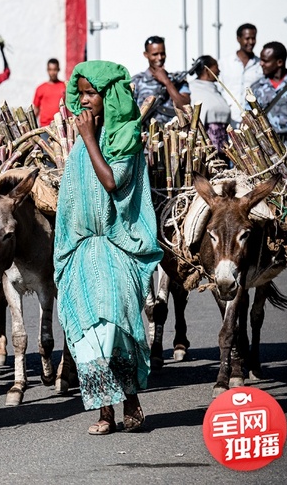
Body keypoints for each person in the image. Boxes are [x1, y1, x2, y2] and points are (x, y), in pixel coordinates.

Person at [54, 60, 162, 435]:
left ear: (109, 97)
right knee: (88, 336)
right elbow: (72, 200)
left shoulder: (125, 139)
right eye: (80, 93)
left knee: (115, 329)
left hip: (119, 248)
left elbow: (112, 184)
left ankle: (131, 402)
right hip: (83, 250)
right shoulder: (81, 144)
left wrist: (87, 139)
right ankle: (104, 413)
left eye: (91, 93)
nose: (84, 101)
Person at [250, 42, 287, 157]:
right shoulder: (256, 88)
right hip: (268, 154)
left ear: (279, 62)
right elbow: (248, 121)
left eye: (265, 61)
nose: (261, 64)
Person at [131, 36, 190, 125]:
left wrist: (167, 82)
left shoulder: (178, 80)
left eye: (162, 53)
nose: (159, 58)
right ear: (146, 54)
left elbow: (186, 107)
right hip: (146, 136)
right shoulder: (137, 81)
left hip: (174, 135)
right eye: (155, 54)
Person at [220, 24, 263, 124]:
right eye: (247, 38)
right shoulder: (225, 63)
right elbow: (218, 89)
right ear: (238, 39)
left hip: (253, 120)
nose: (251, 42)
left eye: (253, 38)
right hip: (229, 119)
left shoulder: (260, 65)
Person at [188, 55, 231, 152]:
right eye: (216, 67)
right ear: (207, 70)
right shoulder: (194, 88)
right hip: (206, 148)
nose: (219, 71)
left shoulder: (214, 90)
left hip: (223, 147)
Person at [32, 58, 66, 127]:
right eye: (50, 70)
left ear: (58, 69)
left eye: (55, 70)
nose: (52, 73)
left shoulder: (64, 86)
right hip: (45, 127)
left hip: (61, 125)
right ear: (47, 70)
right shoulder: (40, 88)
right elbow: (36, 110)